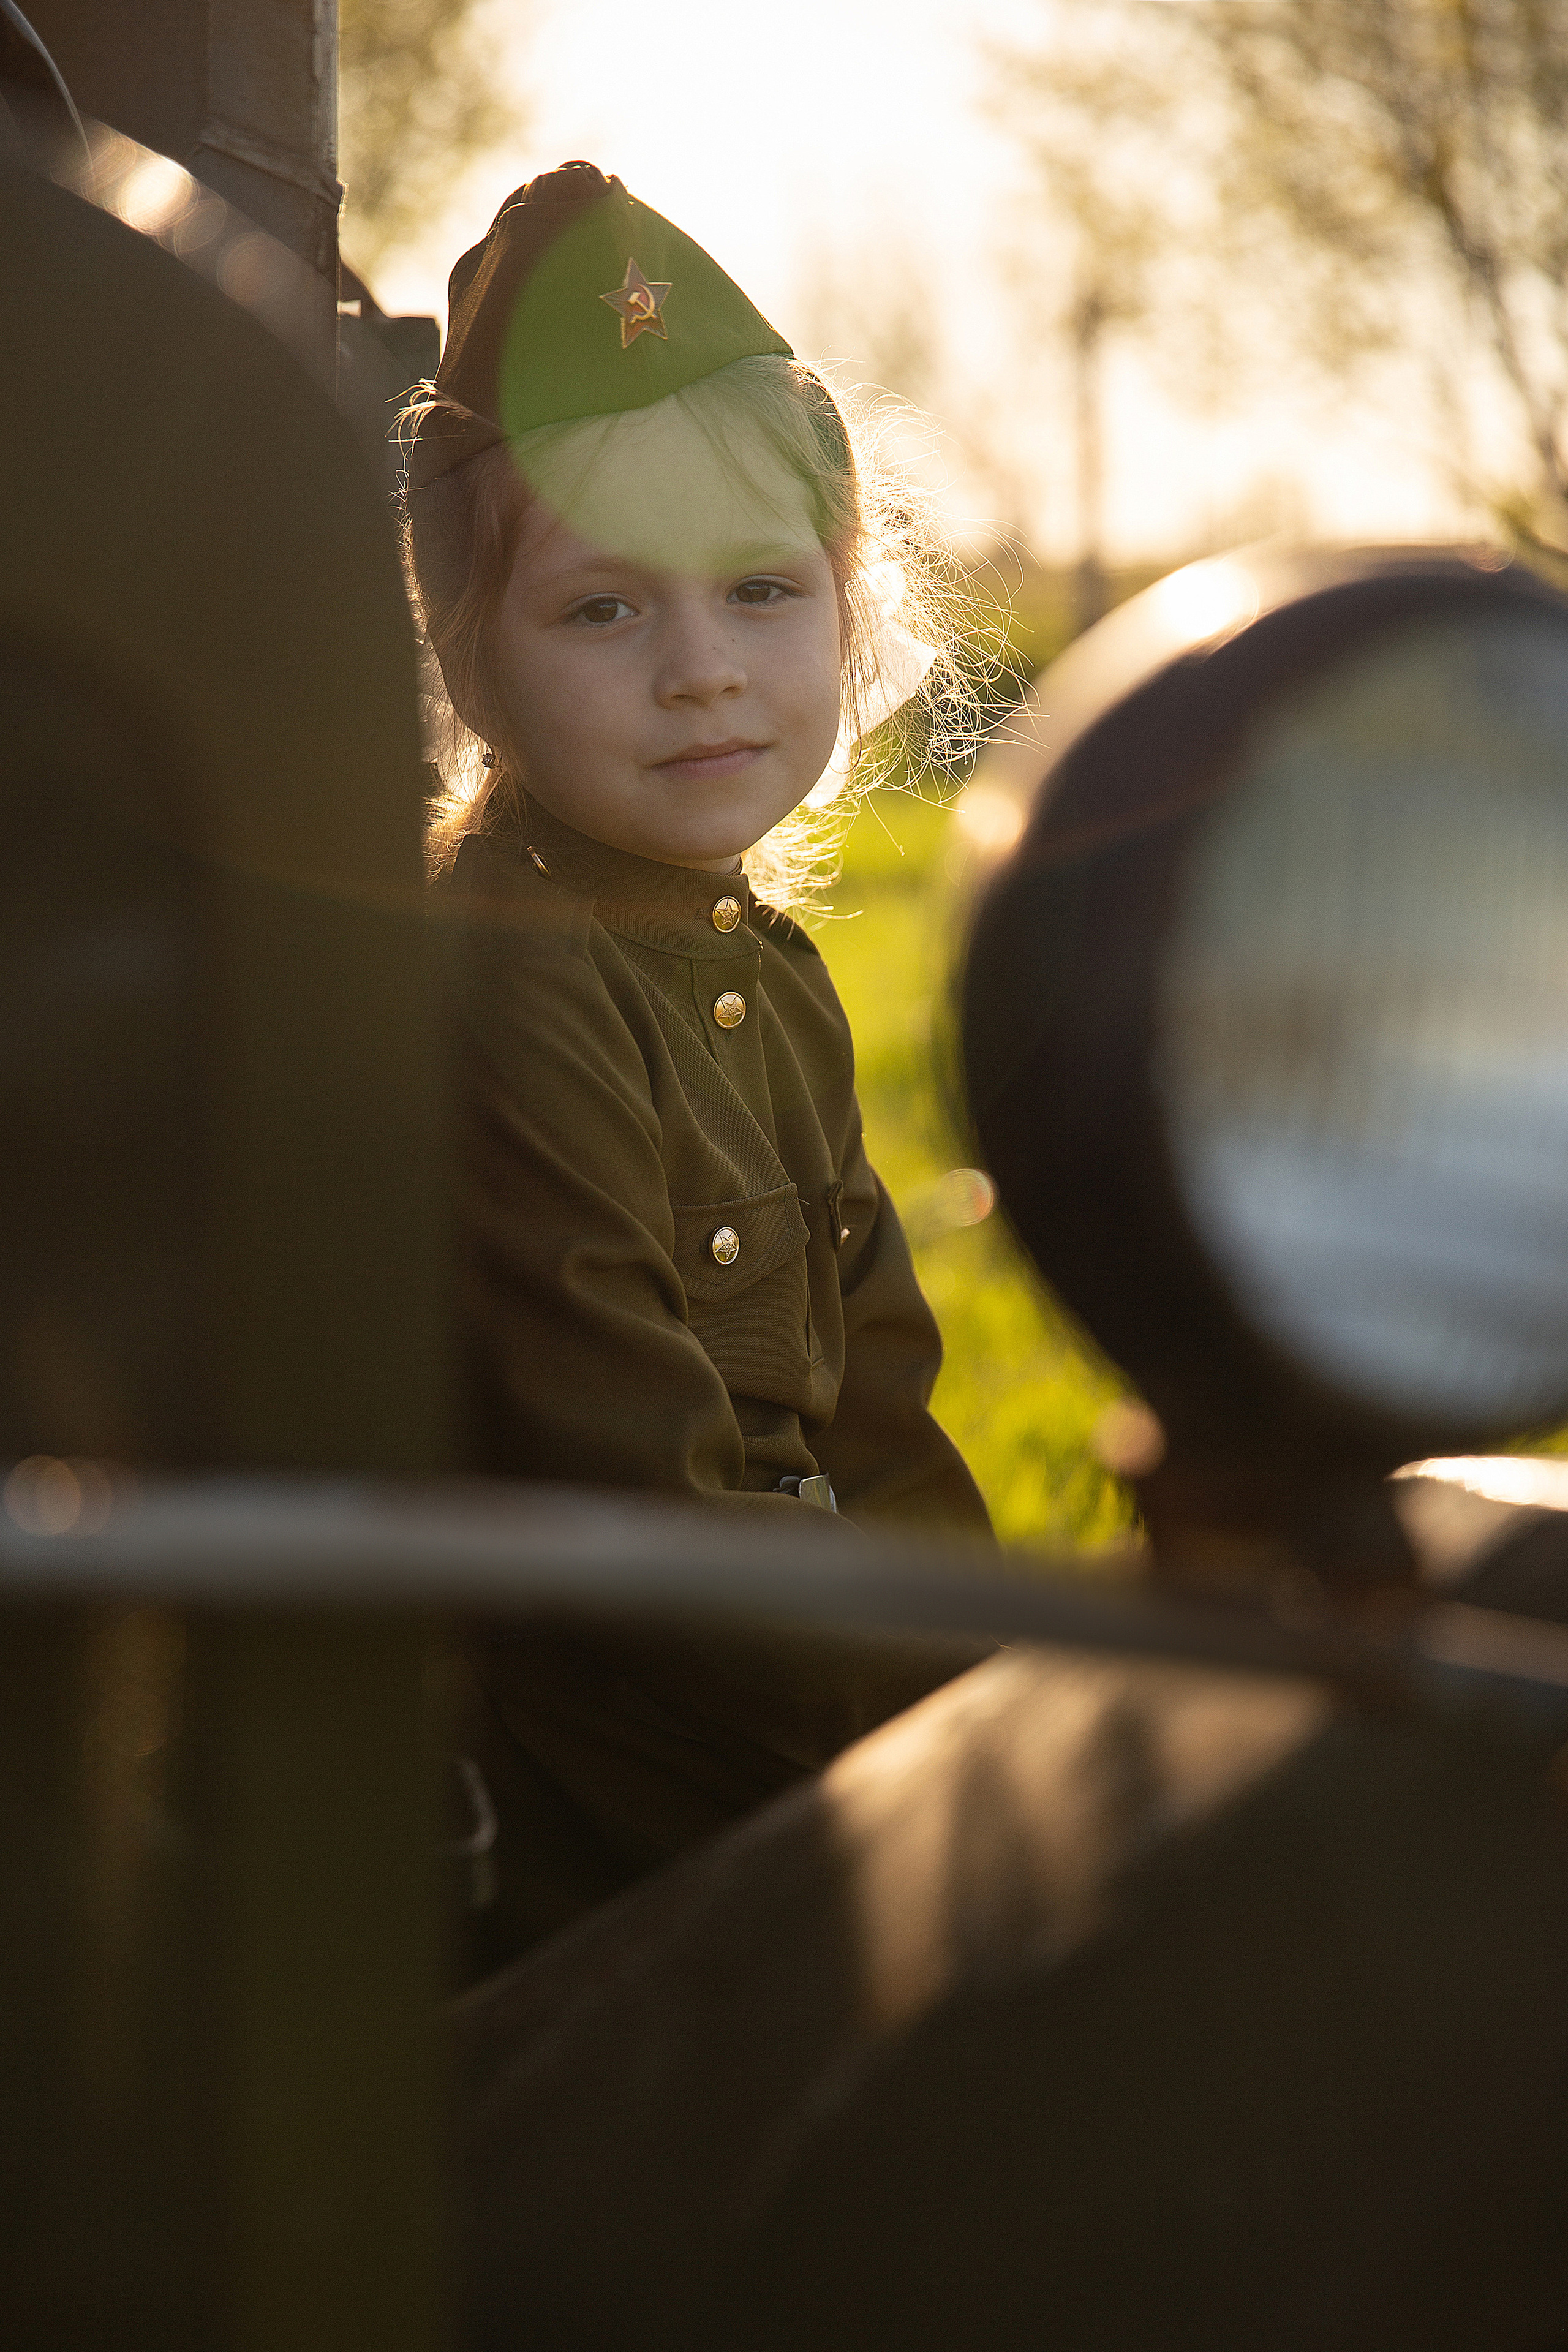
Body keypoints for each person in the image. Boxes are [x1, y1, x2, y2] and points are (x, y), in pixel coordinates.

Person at [402, 162, 995, 1966]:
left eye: (759, 591)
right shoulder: (504, 977)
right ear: (469, 652)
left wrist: (1001, 1694)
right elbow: (634, 1502)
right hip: (611, 1831)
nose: (702, 674)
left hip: (793, 1724)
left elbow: (879, 1414)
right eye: (603, 610)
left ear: (845, 605)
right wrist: (939, 1780)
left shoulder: (768, 972)